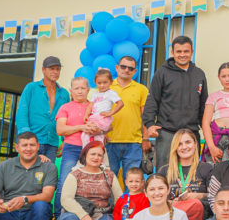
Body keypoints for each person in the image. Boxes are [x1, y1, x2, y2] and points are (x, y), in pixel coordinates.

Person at [143, 35, 209, 171]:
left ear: (192, 52)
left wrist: (207, 129)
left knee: (192, 172)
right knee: (165, 172)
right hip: (167, 133)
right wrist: (149, 124)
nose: (182, 55)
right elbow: (152, 99)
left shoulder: (199, 74)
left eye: (186, 51)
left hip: (192, 132)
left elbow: (204, 104)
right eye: (179, 51)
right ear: (172, 52)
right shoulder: (162, 73)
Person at [54, 76, 102, 217]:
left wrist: (98, 129)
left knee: (91, 183)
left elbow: (108, 126)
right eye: (76, 88)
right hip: (71, 149)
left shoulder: (95, 106)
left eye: (83, 88)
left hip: (91, 149)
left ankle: (92, 215)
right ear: (71, 90)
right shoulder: (65, 107)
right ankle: (57, 217)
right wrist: (82, 127)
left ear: (88, 90)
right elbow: (60, 130)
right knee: (64, 181)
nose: (80, 91)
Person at [17, 56, 69, 160]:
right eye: (51, 68)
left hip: (52, 143)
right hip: (31, 141)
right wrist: (26, 138)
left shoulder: (64, 94)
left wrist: (65, 140)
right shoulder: (31, 87)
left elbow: (67, 119)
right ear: (43, 70)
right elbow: (22, 112)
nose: (55, 72)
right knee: (28, 173)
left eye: (57, 69)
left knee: (47, 174)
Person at [107, 55, 149, 183]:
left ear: (135, 71)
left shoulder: (141, 89)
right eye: (123, 67)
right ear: (117, 68)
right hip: (109, 141)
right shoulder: (106, 87)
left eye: (130, 68)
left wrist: (146, 138)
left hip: (133, 143)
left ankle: (130, 204)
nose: (126, 70)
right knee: (109, 180)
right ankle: (109, 204)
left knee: (132, 181)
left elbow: (146, 116)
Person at [163, 128, 211, 220]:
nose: (184, 147)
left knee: (195, 204)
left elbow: (214, 196)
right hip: (171, 216)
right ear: (175, 148)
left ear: (195, 144)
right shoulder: (164, 170)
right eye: (179, 144)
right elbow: (157, 198)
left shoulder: (207, 168)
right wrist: (172, 203)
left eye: (188, 142)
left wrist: (196, 196)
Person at [84, 69, 124, 145]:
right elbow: (90, 105)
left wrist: (110, 113)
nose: (102, 85)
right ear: (95, 82)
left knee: (96, 135)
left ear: (111, 82)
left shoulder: (111, 93)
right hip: (95, 117)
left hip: (103, 118)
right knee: (85, 134)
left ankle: (98, 148)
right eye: (99, 83)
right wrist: (86, 114)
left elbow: (121, 103)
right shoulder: (95, 94)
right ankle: (86, 150)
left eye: (105, 82)